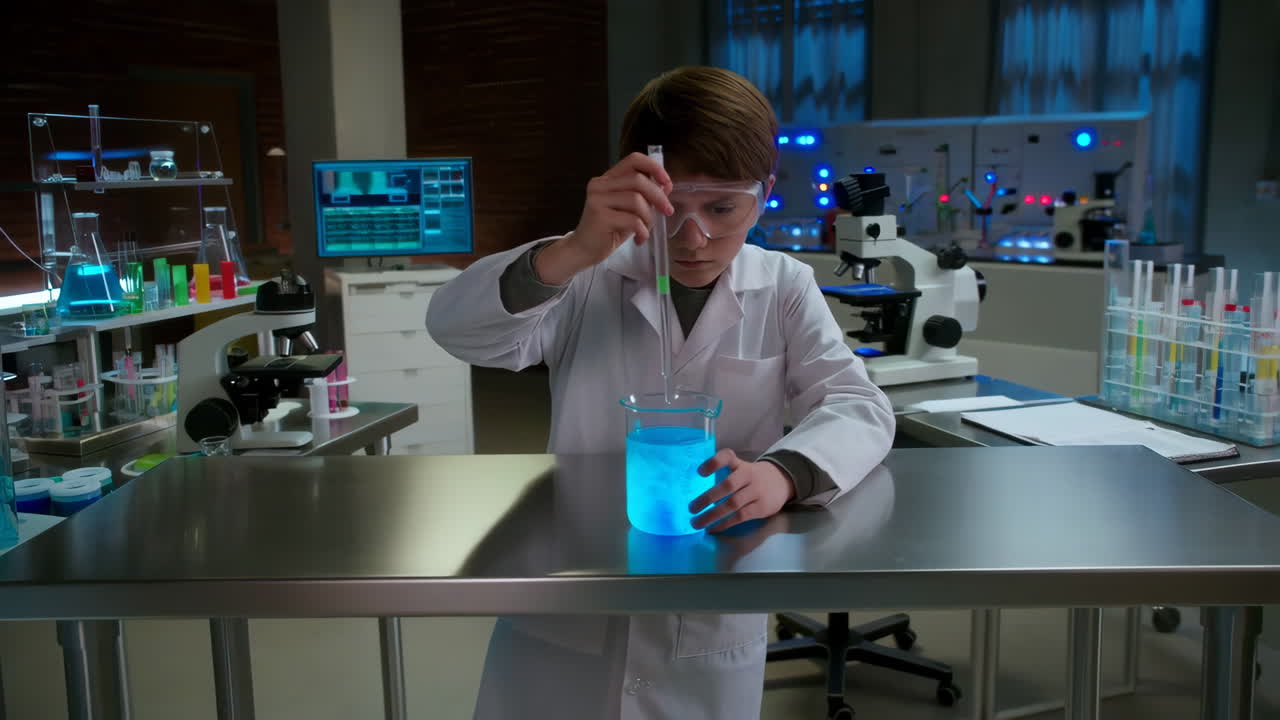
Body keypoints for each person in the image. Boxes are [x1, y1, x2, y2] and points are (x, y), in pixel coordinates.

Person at [426, 66, 894, 720]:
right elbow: (455, 328)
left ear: (763, 193)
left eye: (723, 208)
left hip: (706, 602)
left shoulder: (782, 283)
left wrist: (781, 474)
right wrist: (574, 249)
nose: (694, 238)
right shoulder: (585, 273)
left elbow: (857, 404)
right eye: (675, 209)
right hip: (569, 597)